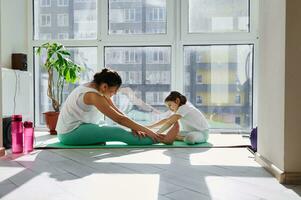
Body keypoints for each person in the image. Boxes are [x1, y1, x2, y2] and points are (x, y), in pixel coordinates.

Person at [56, 68, 178, 145]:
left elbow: (117, 111)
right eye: (113, 91)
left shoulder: (96, 88)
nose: (114, 94)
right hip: (70, 134)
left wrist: (135, 127)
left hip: (79, 127)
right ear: (104, 86)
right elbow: (119, 119)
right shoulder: (92, 95)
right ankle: (161, 138)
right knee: (117, 131)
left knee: (114, 126)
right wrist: (146, 130)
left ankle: (157, 135)